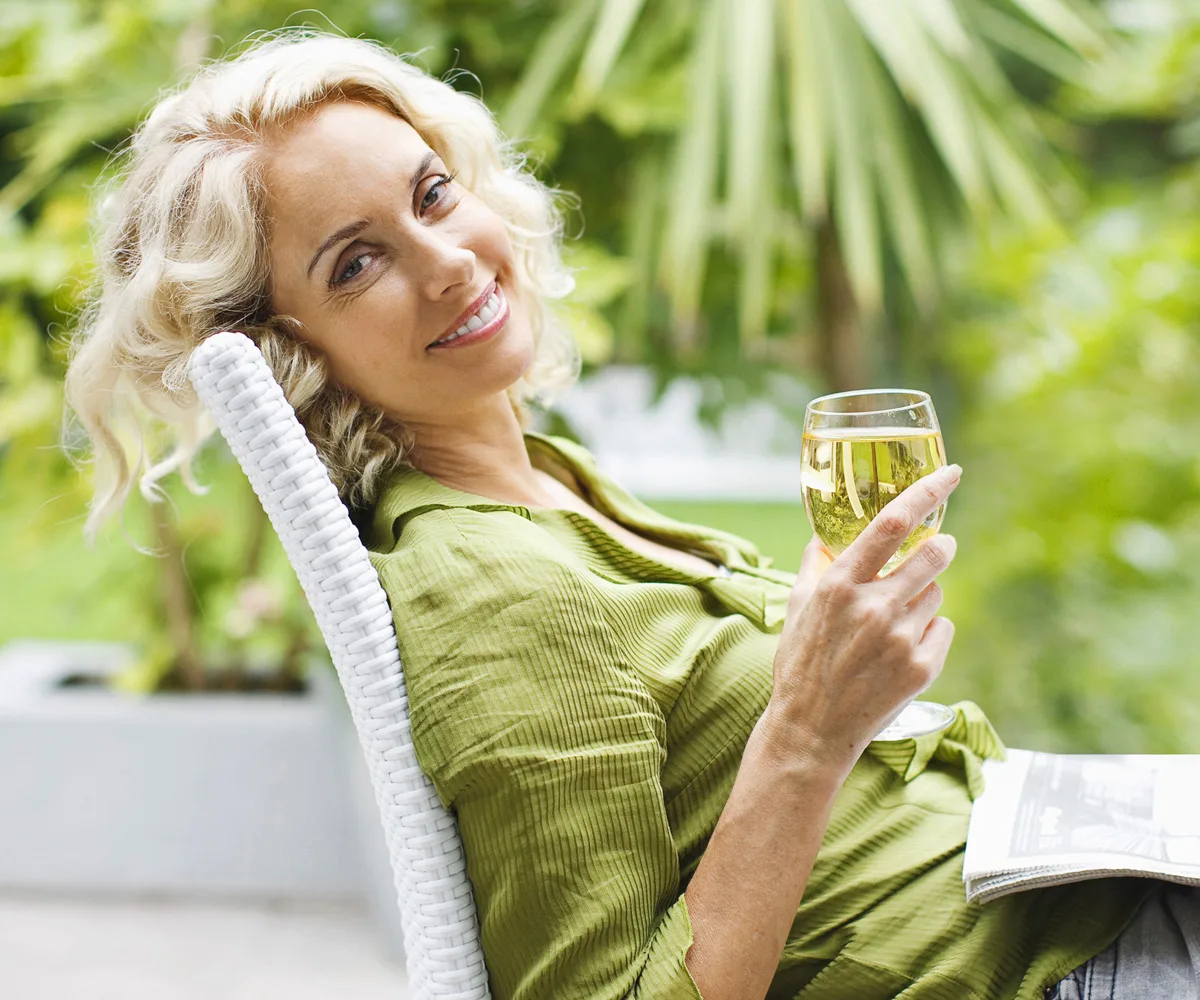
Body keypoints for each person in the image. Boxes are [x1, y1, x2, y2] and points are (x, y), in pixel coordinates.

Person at [62, 30, 1197, 1000]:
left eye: (432, 194)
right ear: (291, 348)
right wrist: (804, 729)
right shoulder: (499, 593)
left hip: (1064, 902)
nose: (451, 262)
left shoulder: (537, 481)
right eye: (359, 263)